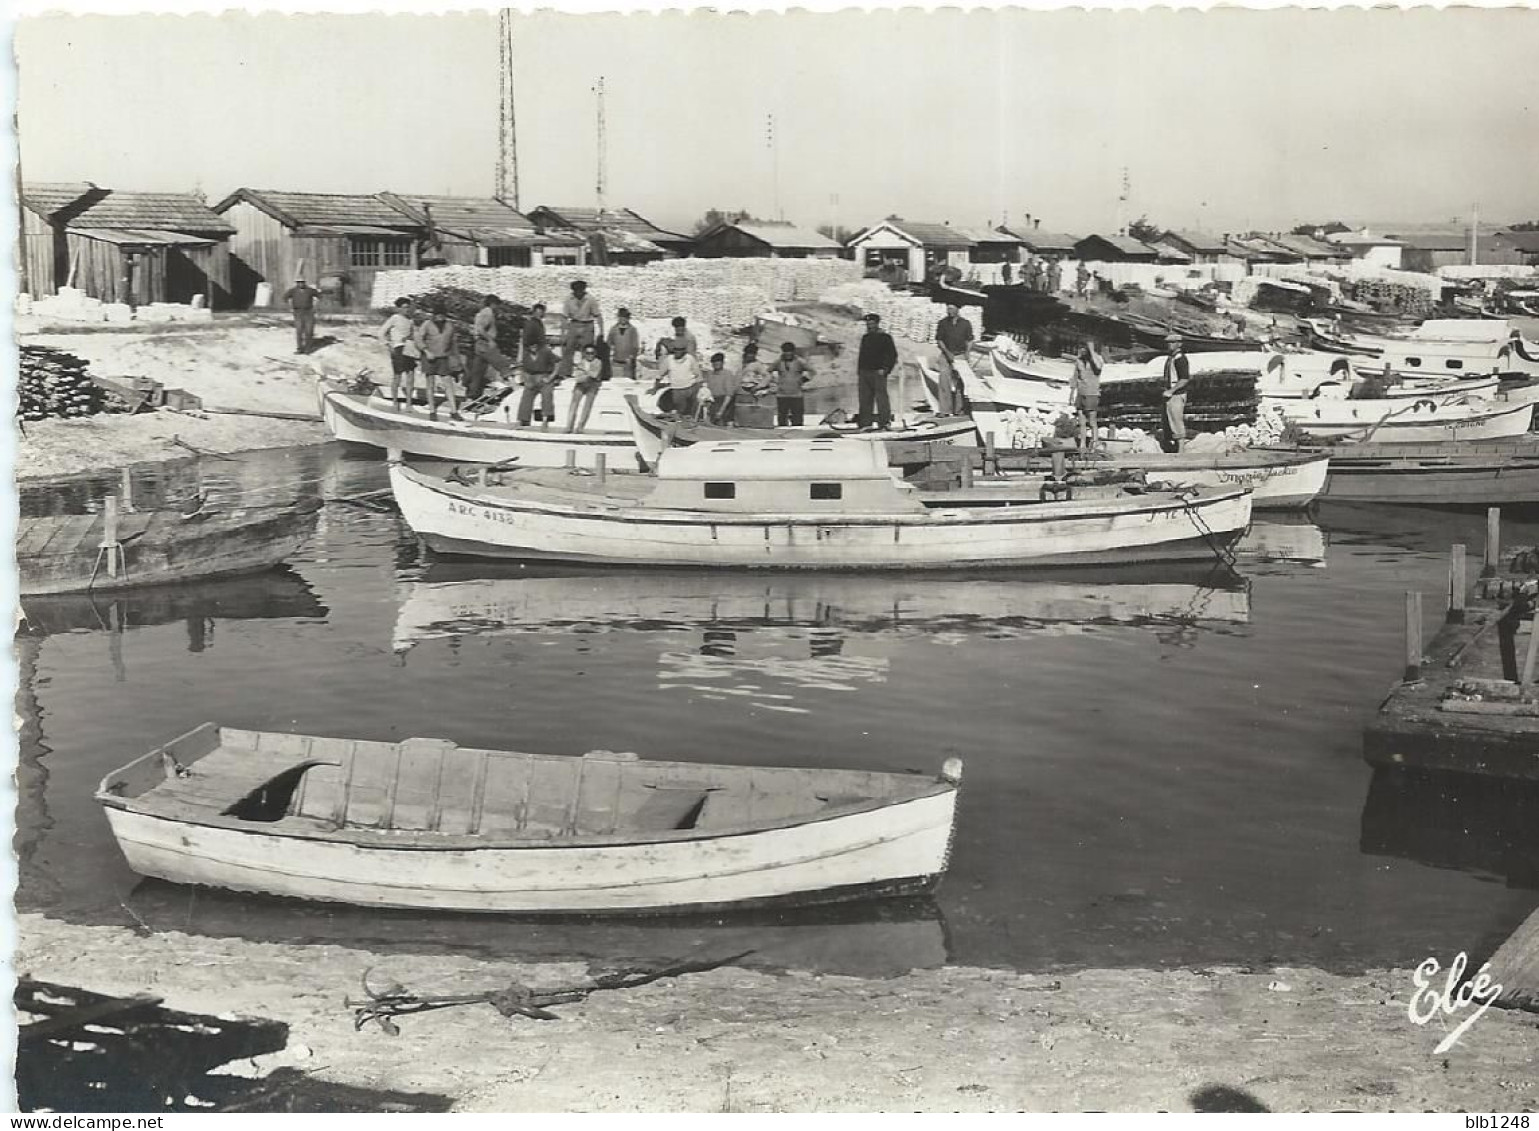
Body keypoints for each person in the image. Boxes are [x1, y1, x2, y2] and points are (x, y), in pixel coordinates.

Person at [412, 306, 461, 421]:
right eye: (438, 315)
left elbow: (453, 343)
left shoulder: (449, 325)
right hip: (429, 358)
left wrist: (457, 361)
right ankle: (432, 411)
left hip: (443, 358)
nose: (440, 317)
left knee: (448, 383)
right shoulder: (427, 324)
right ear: (434, 315)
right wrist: (426, 351)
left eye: (442, 315)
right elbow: (418, 339)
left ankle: (454, 411)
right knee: (430, 384)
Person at [856, 313, 897, 431]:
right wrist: (859, 371)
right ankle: (865, 423)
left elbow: (892, 355)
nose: (869, 326)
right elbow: (862, 355)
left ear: (877, 324)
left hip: (878, 372)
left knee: (881, 398)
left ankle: (885, 422)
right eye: (868, 324)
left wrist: (885, 369)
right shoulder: (865, 338)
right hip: (865, 372)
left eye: (872, 324)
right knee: (865, 398)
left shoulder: (885, 337)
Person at [467, 294, 513, 401]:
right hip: (485, 344)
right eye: (497, 305)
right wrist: (490, 340)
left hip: (479, 345)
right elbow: (481, 329)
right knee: (501, 364)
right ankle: (514, 385)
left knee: (478, 371)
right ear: (493, 304)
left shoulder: (481, 312)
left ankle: (472, 395)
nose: (497, 308)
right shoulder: (488, 313)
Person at [934, 303, 974, 416]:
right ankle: (945, 410)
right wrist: (947, 353)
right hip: (946, 355)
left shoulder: (965, 323)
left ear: (958, 309)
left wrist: (967, 353)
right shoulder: (943, 323)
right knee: (944, 381)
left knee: (959, 383)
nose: (949, 310)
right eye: (948, 308)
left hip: (960, 355)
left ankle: (959, 409)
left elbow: (970, 339)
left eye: (951, 308)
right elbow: (939, 340)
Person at [560, 280, 603, 377]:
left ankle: (587, 372)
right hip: (574, 325)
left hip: (587, 325)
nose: (578, 292)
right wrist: (563, 333)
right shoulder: (568, 299)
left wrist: (601, 331)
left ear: (584, 290)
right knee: (568, 349)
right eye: (576, 290)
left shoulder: (590, 299)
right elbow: (564, 317)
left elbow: (598, 315)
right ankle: (566, 373)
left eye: (580, 290)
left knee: (588, 350)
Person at [381, 297, 418, 408]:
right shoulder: (395, 318)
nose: (407, 310)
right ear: (399, 308)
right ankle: (395, 401)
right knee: (397, 375)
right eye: (404, 308)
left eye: (408, 307)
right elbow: (381, 332)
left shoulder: (410, 320)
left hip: (409, 348)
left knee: (411, 375)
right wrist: (388, 345)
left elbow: (412, 334)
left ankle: (409, 402)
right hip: (398, 348)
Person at [1070, 339, 1104, 451]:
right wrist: (1072, 393)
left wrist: (1092, 350)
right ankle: (1082, 444)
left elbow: (1098, 368)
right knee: (1082, 421)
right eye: (1082, 348)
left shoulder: (1097, 359)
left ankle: (1094, 444)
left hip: (1092, 393)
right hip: (1081, 393)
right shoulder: (1079, 361)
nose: (1083, 350)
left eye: (1085, 348)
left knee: (1092, 421)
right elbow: (1075, 377)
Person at [1160, 333, 1191, 453]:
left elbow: (1184, 379)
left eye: (1172, 342)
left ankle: (1181, 449)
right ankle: (1173, 446)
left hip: (1176, 394)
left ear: (1179, 344)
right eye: (1168, 343)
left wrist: (1172, 390)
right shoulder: (1171, 358)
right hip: (1170, 393)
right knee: (1169, 420)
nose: (1169, 345)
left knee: (1177, 420)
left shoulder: (1180, 359)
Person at [517, 339, 560, 427]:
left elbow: (558, 362)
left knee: (547, 397)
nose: (533, 347)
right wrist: (525, 379)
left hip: (544, 377)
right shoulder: (525, 355)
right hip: (531, 378)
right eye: (531, 345)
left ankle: (545, 420)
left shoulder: (545, 352)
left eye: (535, 345)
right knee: (526, 398)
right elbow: (522, 367)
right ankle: (524, 420)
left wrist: (551, 377)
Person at [564, 344, 605, 433]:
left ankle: (580, 427)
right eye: (588, 353)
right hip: (581, 384)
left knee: (587, 406)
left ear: (595, 354)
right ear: (584, 353)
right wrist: (586, 373)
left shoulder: (598, 362)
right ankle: (569, 426)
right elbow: (577, 377)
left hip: (592, 385)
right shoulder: (581, 362)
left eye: (592, 353)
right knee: (573, 405)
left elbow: (595, 374)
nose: (590, 355)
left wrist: (584, 371)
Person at [658, 340, 705, 419]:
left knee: (690, 410)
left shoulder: (690, 359)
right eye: (676, 349)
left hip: (690, 388)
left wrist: (699, 388)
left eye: (680, 349)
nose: (678, 352)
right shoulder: (669, 360)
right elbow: (660, 375)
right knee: (678, 409)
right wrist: (655, 387)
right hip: (676, 389)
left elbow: (698, 376)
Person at [771, 341, 813, 426]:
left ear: (793, 352)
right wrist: (774, 380)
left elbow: (812, 371)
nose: (788, 353)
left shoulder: (800, 361)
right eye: (785, 351)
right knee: (782, 418)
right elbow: (767, 372)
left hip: (796, 394)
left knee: (797, 419)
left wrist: (804, 379)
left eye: (789, 351)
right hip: (782, 394)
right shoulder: (778, 362)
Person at [283, 276, 320, 354]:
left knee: (309, 331)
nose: (300, 284)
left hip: (309, 312)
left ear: (304, 282)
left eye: (302, 282)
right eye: (298, 282)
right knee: (299, 331)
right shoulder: (292, 291)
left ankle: (308, 349)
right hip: (298, 313)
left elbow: (319, 296)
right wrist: (290, 308)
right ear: (296, 283)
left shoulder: (310, 290)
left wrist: (315, 307)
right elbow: (285, 298)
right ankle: (299, 349)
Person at [606, 307, 641, 382]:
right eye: (621, 317)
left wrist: (632, 357)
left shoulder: (632, 330)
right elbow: (609, 343)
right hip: (616, 361)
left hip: (628, 362)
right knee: (616, 381)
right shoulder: (613, 329)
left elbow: (635, 345)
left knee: (628, 382)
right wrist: (610, 355)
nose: (623, 319)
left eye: (625, 317)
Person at [705, 352, 739, 425]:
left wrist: (721, 410)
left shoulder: (727, 374)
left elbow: (729, 395)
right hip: (712, 401)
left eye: (718, 361)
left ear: (722, 362)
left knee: (722, 424)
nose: (716, 364)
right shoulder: (709, 374)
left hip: (724, 402)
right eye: (714, 362)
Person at [521, 303, 549, 369]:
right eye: (540, 312)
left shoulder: (538, 322)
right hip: (533, 349)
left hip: (538, 348)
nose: (542, 314)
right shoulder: (531, 323)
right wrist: (532, 347)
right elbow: (526, 338)